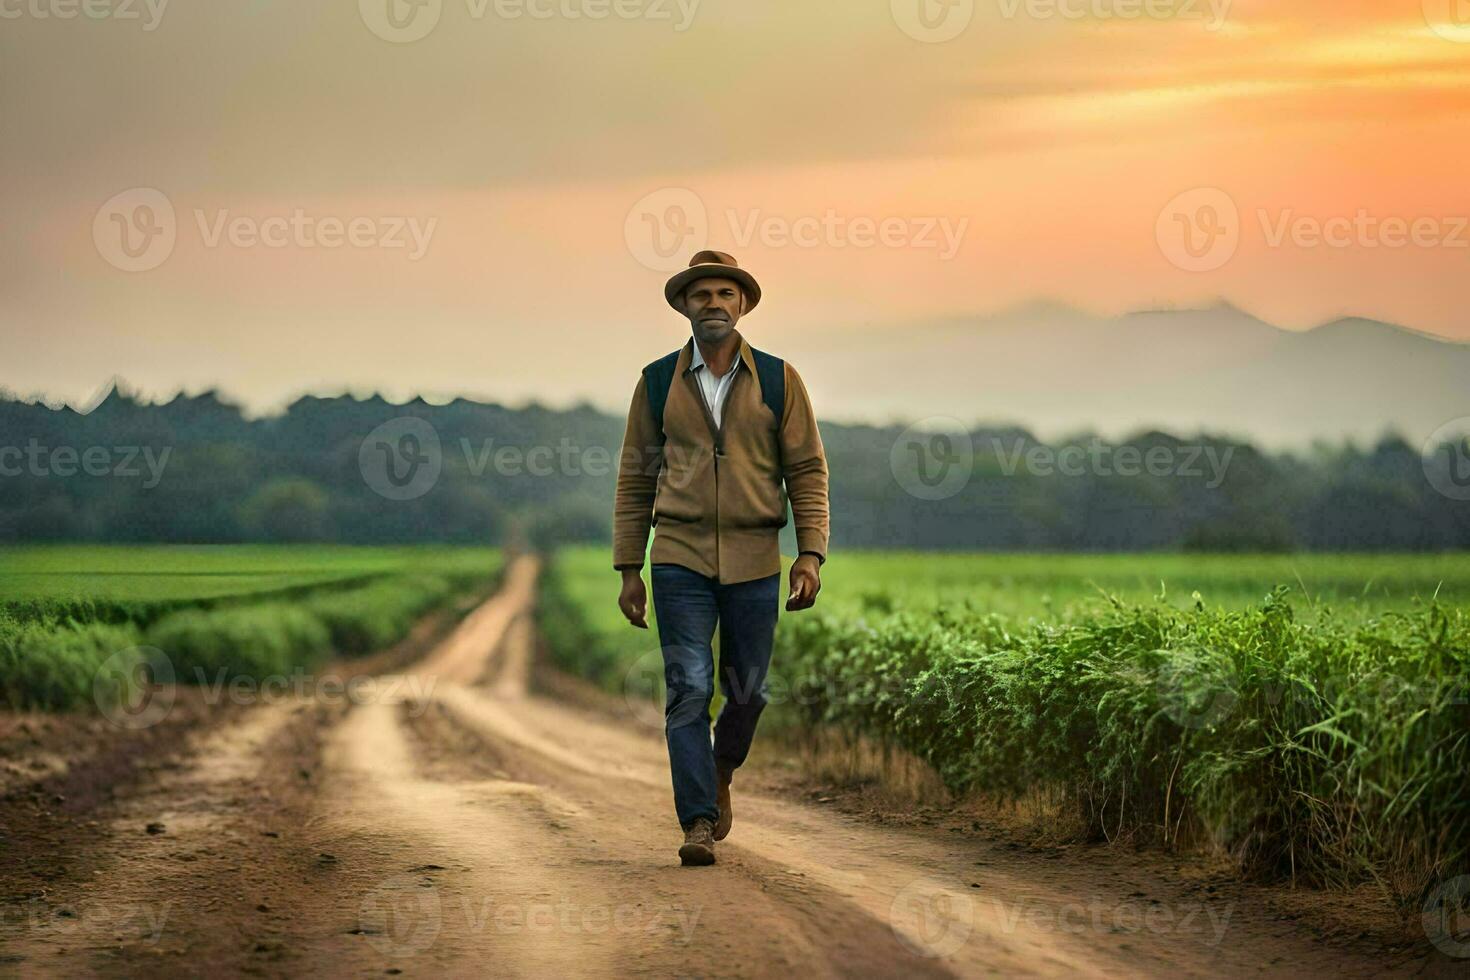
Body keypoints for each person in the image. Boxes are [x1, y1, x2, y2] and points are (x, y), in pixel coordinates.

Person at [612, 250, 830, 866]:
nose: (713, 304)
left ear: (743, 305)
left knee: (748, 688)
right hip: (678, 557)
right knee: (688, 688)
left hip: (757, 556)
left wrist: (810, 552)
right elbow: (634, 477)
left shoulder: (780, 380)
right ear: (683, 306)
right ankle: (698, 821)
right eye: (701, 294)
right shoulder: (657, 382)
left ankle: (722, 766)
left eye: (724, 295)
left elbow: (808, 469)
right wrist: (630, 566)